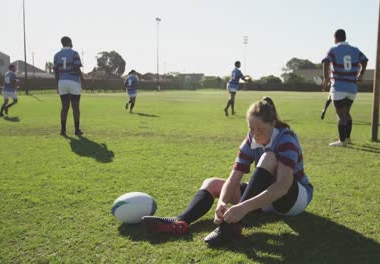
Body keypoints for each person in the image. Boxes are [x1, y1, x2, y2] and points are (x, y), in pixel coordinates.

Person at [142, 97, 313, 247]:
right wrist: (221, 203)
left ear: (273, 123)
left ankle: (230, 227)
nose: (255, 135)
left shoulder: (286, 139)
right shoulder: (250, 139)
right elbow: (234, 178)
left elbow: (283, 186)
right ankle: (180, 221)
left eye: (260, 130)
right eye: (251, 129)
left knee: (269, 157)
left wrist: (242, 208)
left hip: (293, 200)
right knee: (212, 184)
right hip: (267, 198)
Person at [322, 29, 368, 146]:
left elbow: (326, 61)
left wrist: (326, 78)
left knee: (341, 115)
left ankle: (342, 141)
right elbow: (365, 60)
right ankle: (347, 138)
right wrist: (360, 74)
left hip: (338, 87)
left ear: (336, 38)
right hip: (352, 88)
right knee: (347, 113)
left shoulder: (333, 49)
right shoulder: (355, 50)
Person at [53, 36, 85, 136]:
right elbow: (77, 68)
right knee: (75, 107)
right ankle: (77, 130)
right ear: (69, 42)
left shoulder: (57, 55)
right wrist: (83, 80)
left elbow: (56, 72)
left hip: (62, 82)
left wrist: (57, 84)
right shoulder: (74, 53)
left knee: (64, 107)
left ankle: (63, 130)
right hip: (73, 82)